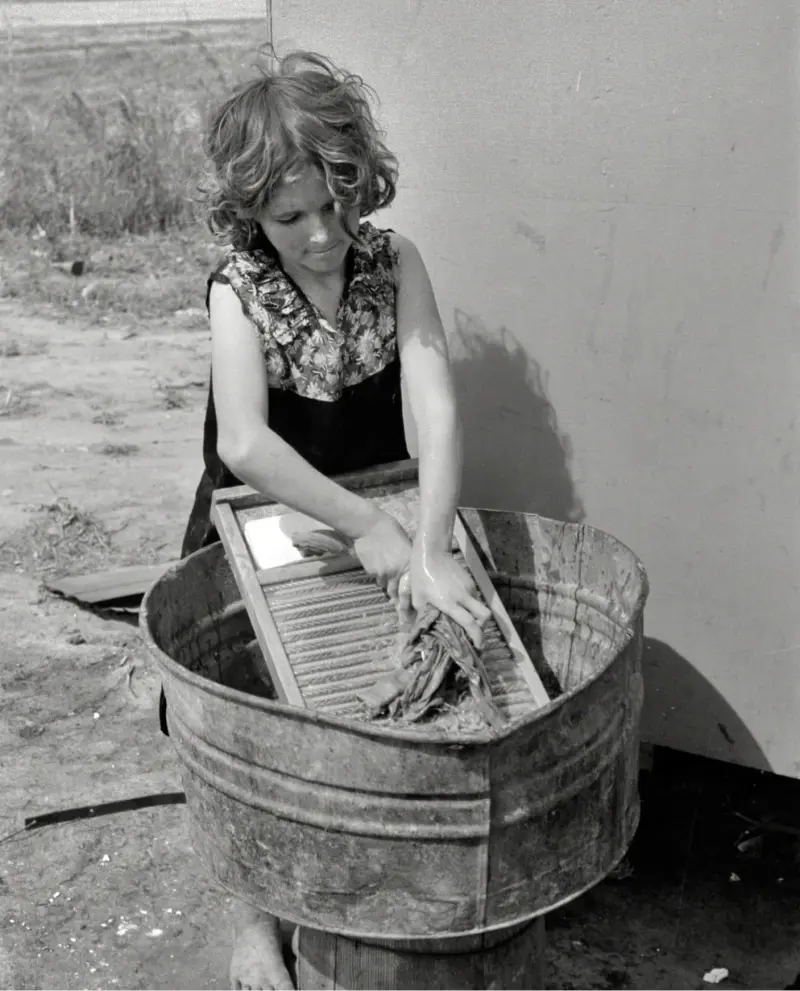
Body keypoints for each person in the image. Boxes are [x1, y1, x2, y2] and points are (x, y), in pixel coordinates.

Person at [172, 49, 491, 991]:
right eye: (291, 217)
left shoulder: (395, 264)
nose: (321, 235)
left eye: (337, 207)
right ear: (250, 215)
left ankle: (373, 879)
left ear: (363, 184)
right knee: (265, 718)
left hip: (377, 499)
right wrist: (361, 527)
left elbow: (432, 405)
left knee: (379, 697)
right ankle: (256, 918)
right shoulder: (239, 291)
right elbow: (246, 445)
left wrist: (427, 542)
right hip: (267, 512)